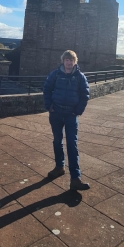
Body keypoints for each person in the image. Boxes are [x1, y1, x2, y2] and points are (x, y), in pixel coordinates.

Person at [43, 50, 90, 190]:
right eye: (66, 60)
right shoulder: (55, 74)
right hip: (56, 112)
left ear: (75, 62)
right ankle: (59, 167)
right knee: (57, 141)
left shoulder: (80, 77)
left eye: (71, 60)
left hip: (71, 114)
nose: (69, 63)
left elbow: (85, 94)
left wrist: (78, 110)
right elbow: (46, 89)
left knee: (72, 144)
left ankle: (75, 178)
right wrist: (49, 106)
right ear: (63, 61)